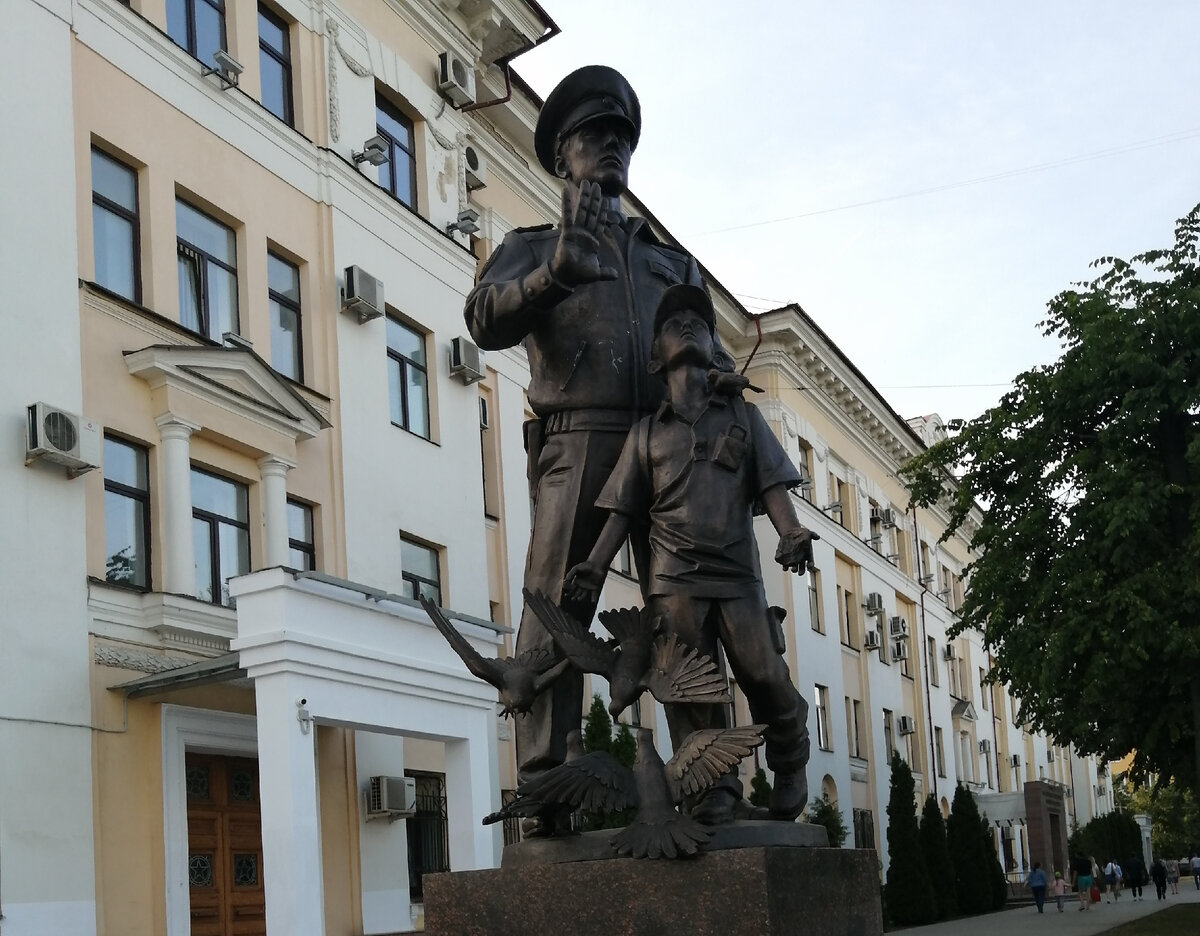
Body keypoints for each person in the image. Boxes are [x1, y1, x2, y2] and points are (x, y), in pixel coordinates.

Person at [464, 66, 733, 836]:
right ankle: (547, 786)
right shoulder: (531, 246)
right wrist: (556, 270)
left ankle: (709, 776)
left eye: (620, 137)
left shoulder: (670, 263)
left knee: (686, 607)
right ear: (562, 157)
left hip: (668, 448)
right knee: (557, 604)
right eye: (593, 136)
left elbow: (705, 353)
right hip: (578, 438)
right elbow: (484, 320)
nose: (609, 148)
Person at [564, 284, 819, 821]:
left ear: (711, 349)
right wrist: (594, 563)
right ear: (656, 357)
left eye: (698, 323)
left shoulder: (743, 418)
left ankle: (790, 754)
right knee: (690, 691)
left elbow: (771, 483)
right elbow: (622, 510)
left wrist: (790, 532)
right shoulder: (645, 434)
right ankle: (713, 792)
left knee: (764, 675)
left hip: (738, 576)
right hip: (673, 579)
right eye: (672, 323)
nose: (686, 325)